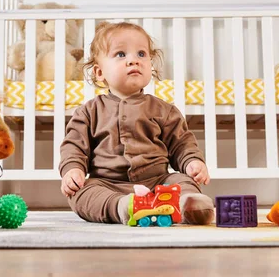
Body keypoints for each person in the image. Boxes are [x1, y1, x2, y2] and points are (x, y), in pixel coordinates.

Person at [59, 21, 215, 225]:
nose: (133, 61)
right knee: (82, 194)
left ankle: (189, 205)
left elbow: (182, 144)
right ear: (99, 72)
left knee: (182, 181)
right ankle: (122, 207)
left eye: (141, 54)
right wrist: (73, 169)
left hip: (158, 183)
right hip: (108, 185)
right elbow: (74, 146)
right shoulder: (88, 112)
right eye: (121, 54)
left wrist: (192, 162)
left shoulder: (165, 110)